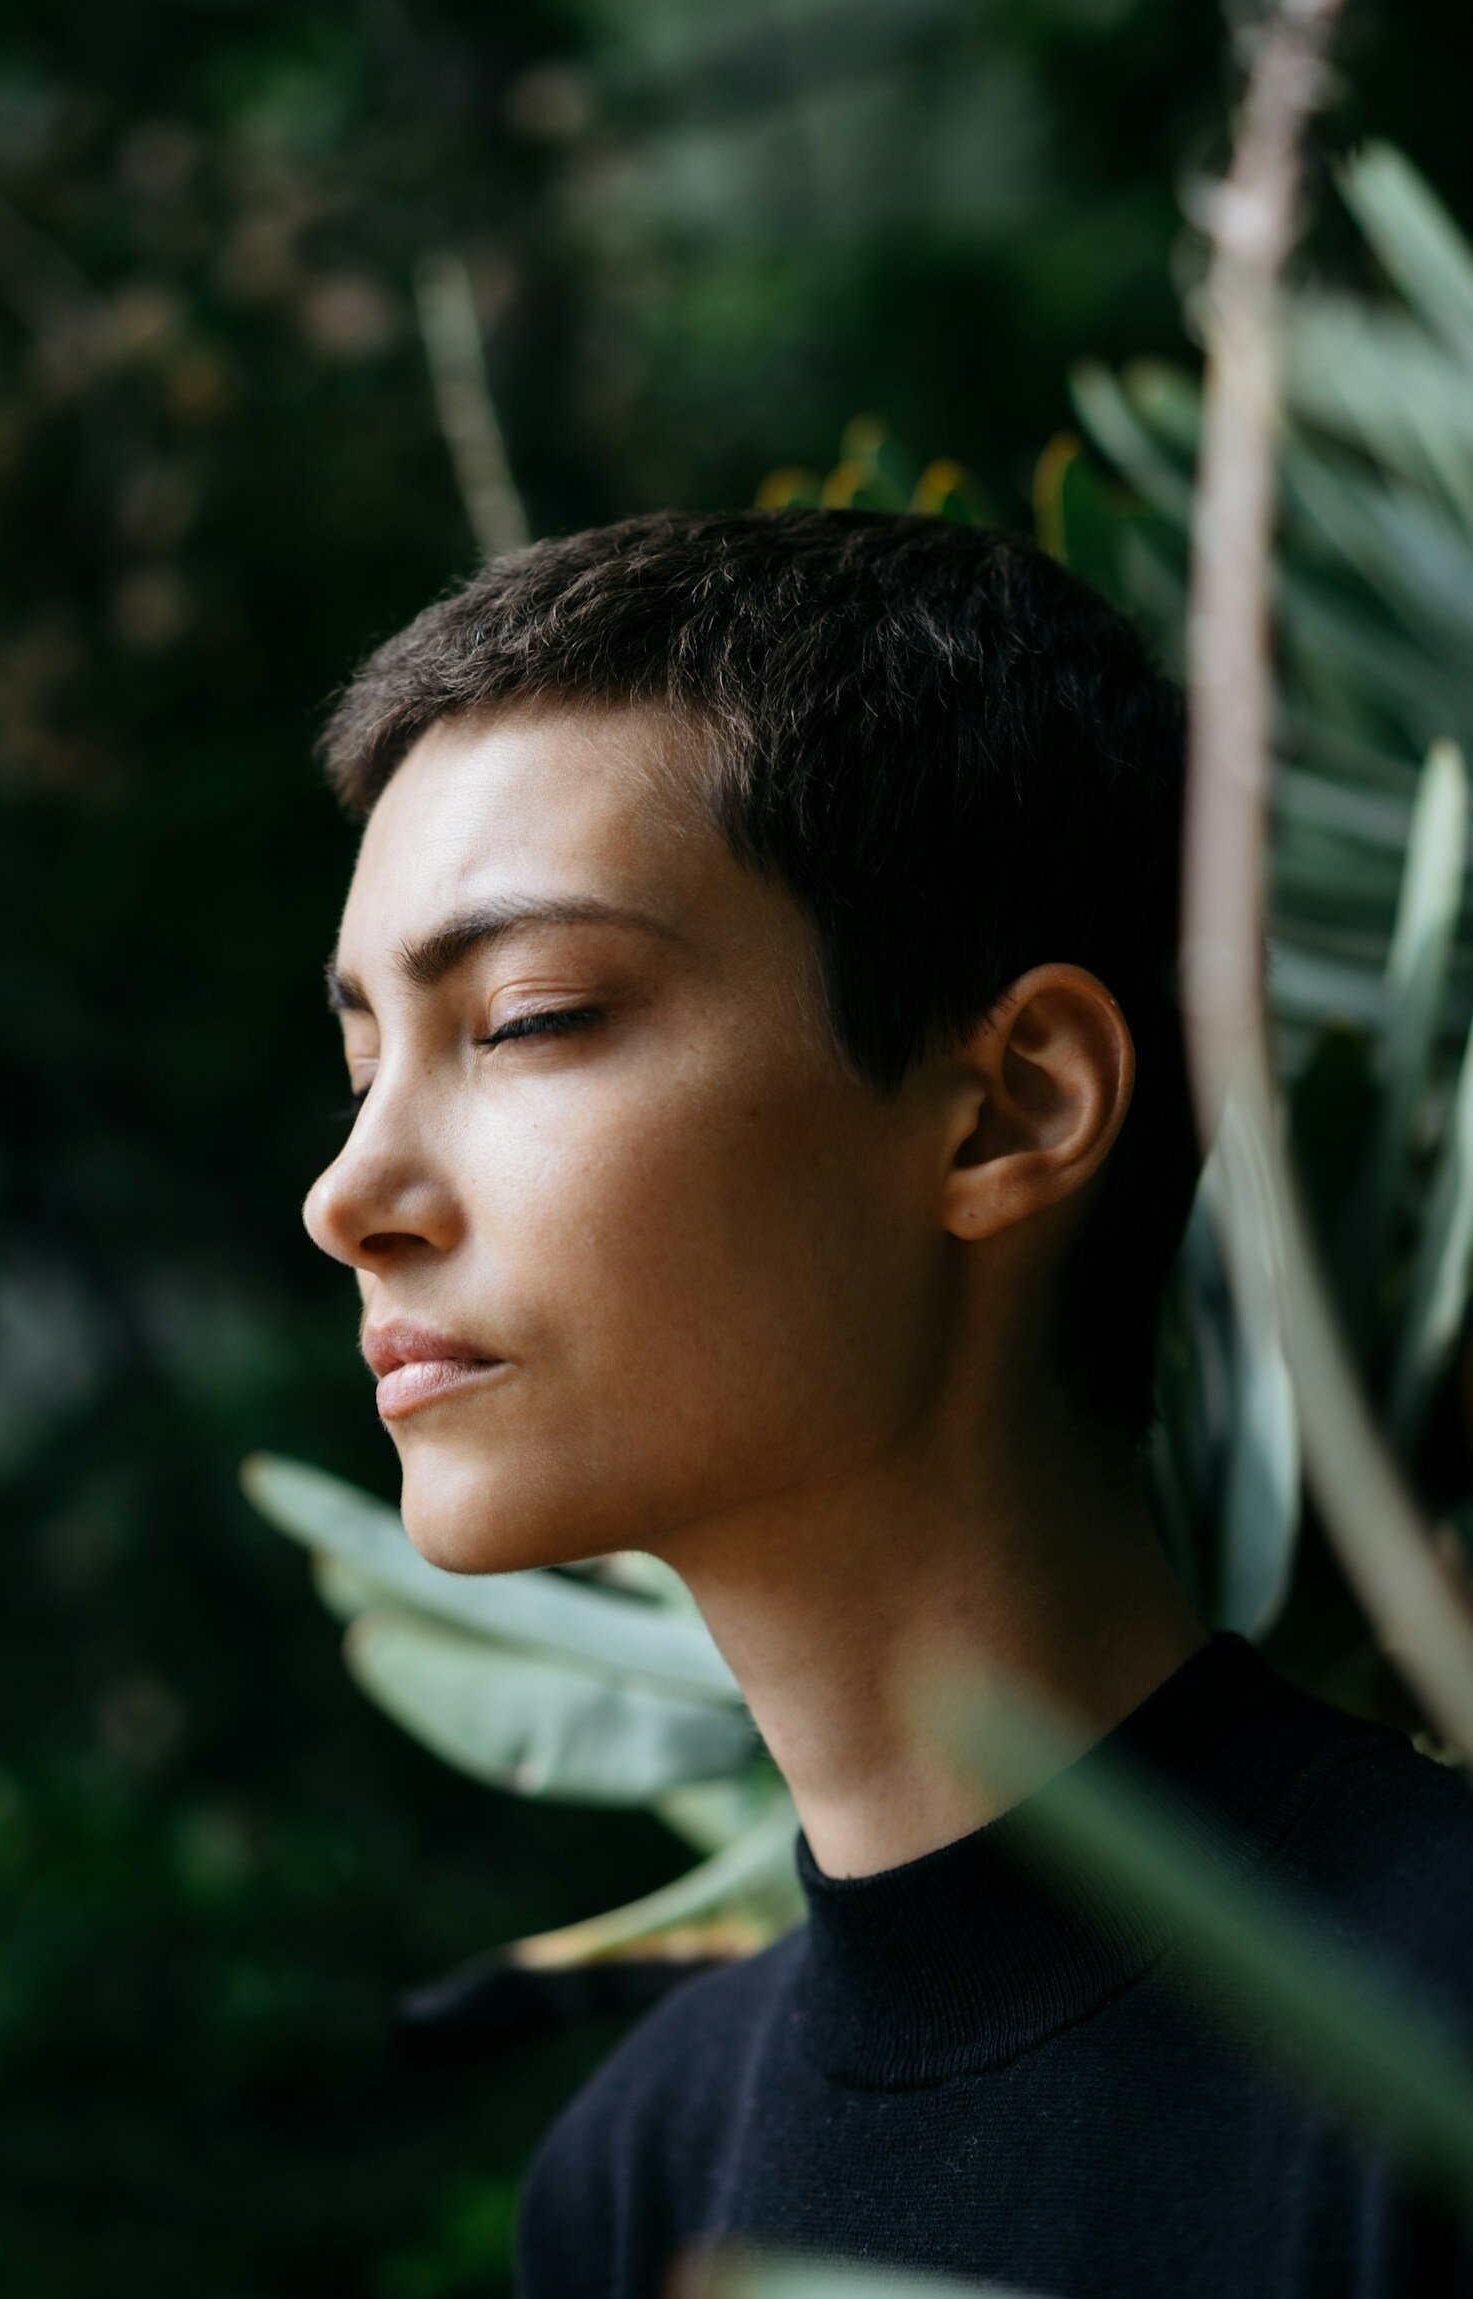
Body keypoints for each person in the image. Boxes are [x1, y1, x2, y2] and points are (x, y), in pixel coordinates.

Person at [301, 509, 1473, 2296]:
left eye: (527, 1019)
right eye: (364, 1059)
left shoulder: (1434, 2032)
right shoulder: (641, 2179)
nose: (351, 1191)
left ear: (1009, 1109)